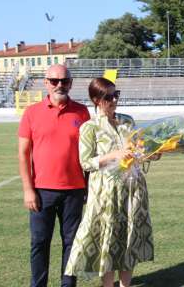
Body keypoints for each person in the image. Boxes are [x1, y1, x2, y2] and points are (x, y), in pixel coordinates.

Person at [64, 78, 160, 287]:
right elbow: (86, 162)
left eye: (116, 94)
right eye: (109, 97)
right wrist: (113, 155)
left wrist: (152, 153)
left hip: (133, 188)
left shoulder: (128, 121)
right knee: (106, 240)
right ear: (96, 100)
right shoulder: (89, 127)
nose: (114, 100)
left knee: (129, 236)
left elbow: (138, 151)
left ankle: (125, 285)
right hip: (104, 192)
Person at [18, 64, 90, 287]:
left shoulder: (82, 111)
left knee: (72, 243)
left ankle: (68, 285)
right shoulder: (31, 112)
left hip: (75, 190)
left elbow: (90, 151)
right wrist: (28, 189)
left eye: (65, 81)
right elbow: (23, 154)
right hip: (42, 191)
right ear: (45, 82)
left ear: (70, 83)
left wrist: (88, 186)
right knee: (39, 242)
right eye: (55, 80)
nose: (60, 85)